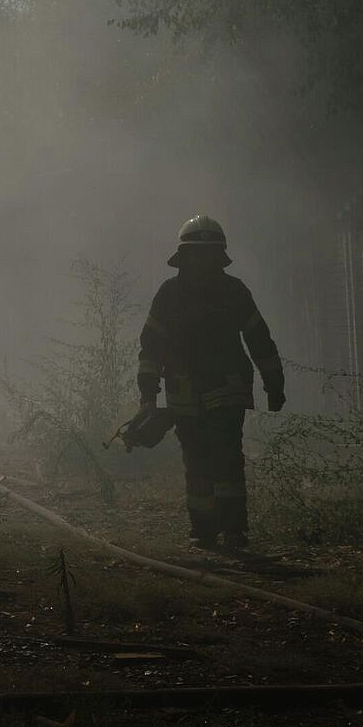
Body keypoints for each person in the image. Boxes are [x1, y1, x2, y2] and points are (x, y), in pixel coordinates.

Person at [137, 215, 284, 551]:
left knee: (225, 459)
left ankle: (231, 531)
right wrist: (148, 395)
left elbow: (260, 340)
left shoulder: (232, 291)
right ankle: (205, 531)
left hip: (225, 391)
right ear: (184, 256)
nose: (203, 262)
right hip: (187, 394)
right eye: (197, 255)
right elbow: (151, 347)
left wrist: (274, 385)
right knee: (198, 462)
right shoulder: (173, 294)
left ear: (219, 256)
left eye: (209, 254)